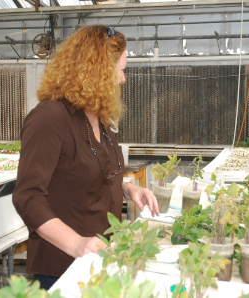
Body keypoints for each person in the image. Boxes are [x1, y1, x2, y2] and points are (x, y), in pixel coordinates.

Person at [12, 25, 159, 290]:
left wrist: (128, 189)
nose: (123, 79)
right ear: (98, 71)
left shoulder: (95, 117)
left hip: (100, 259)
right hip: (62, 266)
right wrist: (77, 243)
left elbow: (90, 175)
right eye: (121, 69)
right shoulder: (49, 118)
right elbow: (28, 197)